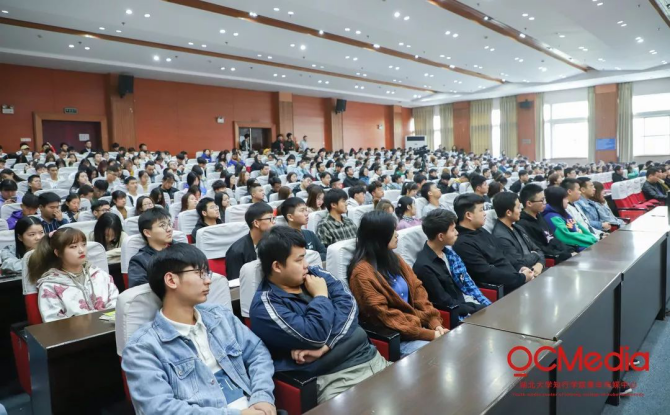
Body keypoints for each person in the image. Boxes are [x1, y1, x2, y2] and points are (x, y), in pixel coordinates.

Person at [122, 244, 277, 415]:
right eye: (200, 273)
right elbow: (160, 409)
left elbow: (257, 353)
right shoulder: (142, 347)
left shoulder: (220, 316)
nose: (208, 280)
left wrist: (262, 397)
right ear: (171, 280)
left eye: (207, 273)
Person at [250, 227, 388, 404]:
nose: (306, 265)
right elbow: (315, 335)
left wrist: (326, 347)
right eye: (299, 260)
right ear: (277, 266)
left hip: (372, 358)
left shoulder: (315, 273)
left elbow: (350, 305)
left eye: (305, 257)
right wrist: (321, 295)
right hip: (334, 380)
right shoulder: (265, 306)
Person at [349, 211, 446, 357]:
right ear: (378, 236)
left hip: (418, 327)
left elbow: (418, 291)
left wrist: (435, 323)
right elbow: (385, 316)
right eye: (392, 231)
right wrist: (430, 334)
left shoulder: (395, 259)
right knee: (440, 352)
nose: (397, 234)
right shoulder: (361, 273)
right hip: (395, 338)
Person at [27, 227, 119, 323]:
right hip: (74, 332)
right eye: (73, 247)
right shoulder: (50, 286)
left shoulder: (100, 275)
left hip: (109, 328)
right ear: (58, 252)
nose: (81, 250)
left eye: (83, 245)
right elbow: (54, 322)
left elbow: (116, 305)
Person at [413, 210, 491, 320]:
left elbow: (468, 283)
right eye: (453, 230)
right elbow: (445, 302)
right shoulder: (424, 267)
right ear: (441, 236)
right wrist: (477, 308)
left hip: (470, 304)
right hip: (457, 315)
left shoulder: (449, 254)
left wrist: (486, 304)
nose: (457, 232)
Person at [452, 194, 534, 295]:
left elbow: (503, 253)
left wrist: (520, 267)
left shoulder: (480, 230)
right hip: (502, 291)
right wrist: (522, 277)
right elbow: (486, 273)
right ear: (469, 215)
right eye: (481, 210)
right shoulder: (462, 243)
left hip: (515, 280)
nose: (485, 214)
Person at [518, 184, 575, 264]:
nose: (545, 203)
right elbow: (539, 249)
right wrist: (566, 255)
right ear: (529, 203)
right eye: (541, 200)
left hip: (560, 254)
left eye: (544, 199)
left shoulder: (539, 216)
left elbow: (552, 239)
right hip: (550, 260)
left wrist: (569, 250)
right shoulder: (522, 224)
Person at [491, 192, 545, 276]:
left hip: (536, 271)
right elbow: (519, 262)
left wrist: (540, 264)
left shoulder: (518, 228)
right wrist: (535, 254)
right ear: (508, 212)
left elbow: (538, 250)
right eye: (518, 207)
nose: (520, 210)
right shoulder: (500, 236)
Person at [226, 203, 275, 282]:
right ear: (256, 223)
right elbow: (236, 283)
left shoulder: (273, 242)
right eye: (270, 219)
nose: (274, 222)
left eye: (274, 218)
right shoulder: (236, 252)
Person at [542, 186, 598, 252]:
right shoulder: (551, 217)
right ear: (557, 200)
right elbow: (566, 236)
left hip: (585, 242)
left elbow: (580, 227)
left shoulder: (563, 212)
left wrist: (593, 238)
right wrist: (590, 239)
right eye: (565, 199)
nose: (568, 201)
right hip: (576, 248)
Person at [128, 208, 174, 288]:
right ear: (147, 233)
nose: (169, 229)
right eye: (162, 225)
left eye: (169, 224)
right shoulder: (139, 261)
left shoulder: (183, 249)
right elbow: (140, 291)